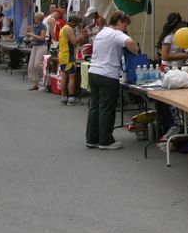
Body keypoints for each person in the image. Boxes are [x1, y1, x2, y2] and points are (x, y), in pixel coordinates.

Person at [85, 10, 139, 150]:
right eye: (125, 25)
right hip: (108, 74)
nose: (126, 28)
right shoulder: (116, 33)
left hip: (93, 71)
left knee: (95, 107)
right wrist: (136, 51)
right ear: (120, 22)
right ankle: (106, 140)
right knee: (107, 107)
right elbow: (130, 42)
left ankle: (92, 138)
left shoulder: (101, 32)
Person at [58, 15, 87, 105]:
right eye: (76, 24)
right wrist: (81, 36)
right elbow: (74, 42)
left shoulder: (63, 28)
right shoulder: (69, 29)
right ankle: (71, 98)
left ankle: (64, 97)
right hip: (68, 56)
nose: (76, 26)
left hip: (62, 55)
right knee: (72, 77)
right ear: (72, 22)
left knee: (64, 77)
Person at [26, 11, 47, 91]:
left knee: (37, 64)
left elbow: (42, 38)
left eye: (36, 17)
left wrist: (33, 35)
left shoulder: (43, 27)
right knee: (31, 66)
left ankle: (44, 76)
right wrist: (30, 39)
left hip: (41, 46)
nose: (34, 19)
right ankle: (35, 83)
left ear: (39, 19)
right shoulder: (35, 26)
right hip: (35, 46)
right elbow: (34, 37)